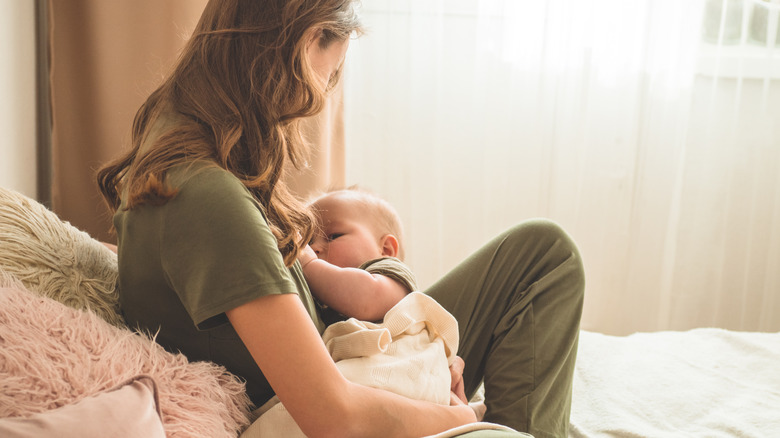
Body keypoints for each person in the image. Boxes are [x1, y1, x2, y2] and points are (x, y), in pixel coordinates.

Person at [96, 1, 585, 437]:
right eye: (329, 76)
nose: (321, 95)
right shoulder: (208, 198)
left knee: (537, 250)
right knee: (546, 258)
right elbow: (336, 416)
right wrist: (468, 416)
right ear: (309, 42)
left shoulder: (175, 149)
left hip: (342, 349)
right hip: (342, 378)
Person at [303, 187, 417, 325]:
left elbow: (367, 299)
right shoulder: (320, 299)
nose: (313, 248)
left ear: (386, 249)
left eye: (333, 236)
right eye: (308, 242)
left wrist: (309, 265)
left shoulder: (392, 274)